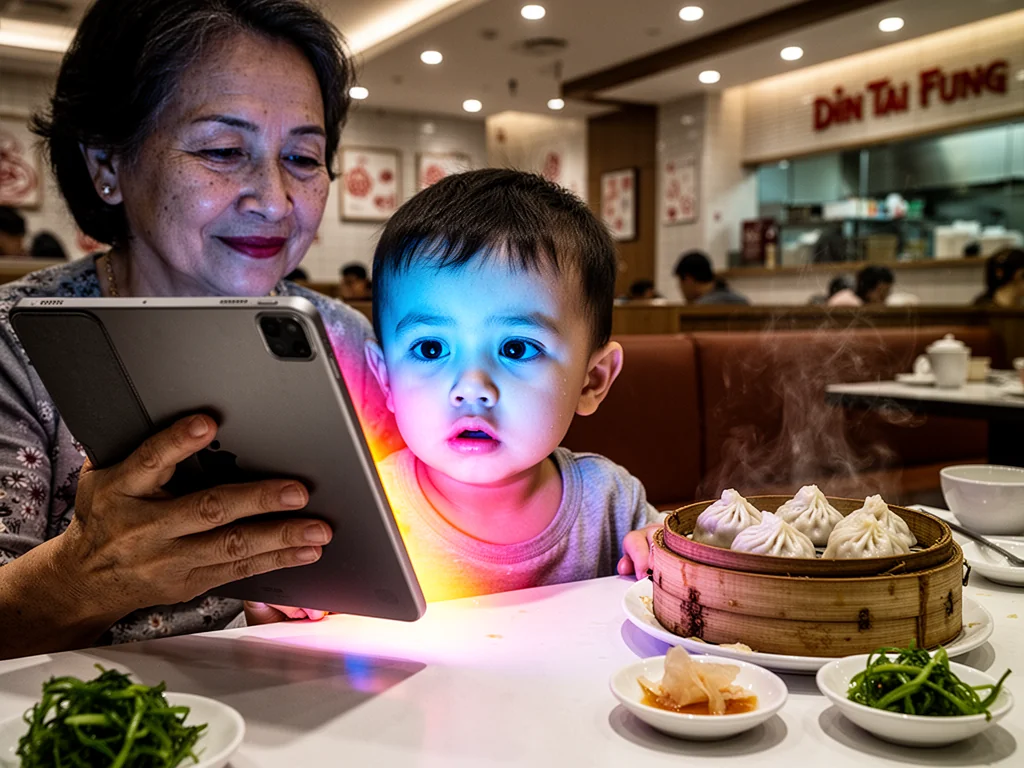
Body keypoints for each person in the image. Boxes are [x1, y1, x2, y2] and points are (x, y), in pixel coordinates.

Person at [0, 0, 400, 660]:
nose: (274, 200)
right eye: (222, 150)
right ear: (106, 165)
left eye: (302, 157)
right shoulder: (21, 341)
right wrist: (81, 577)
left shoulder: (343, 341)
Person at [363, 169, 660, 602]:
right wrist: (278, 611)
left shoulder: (613, 504)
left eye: (517, 348)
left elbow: (683, 599)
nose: (471, 387)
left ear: (591, 381)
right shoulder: (364, 513)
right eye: (429, 349)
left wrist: (669, 560)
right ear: (385, 377)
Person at [673, 250, 749, 305]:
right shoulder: (743, 302)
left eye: (680, 283)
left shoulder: (698, 308)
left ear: (688, 279)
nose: (680, 288)